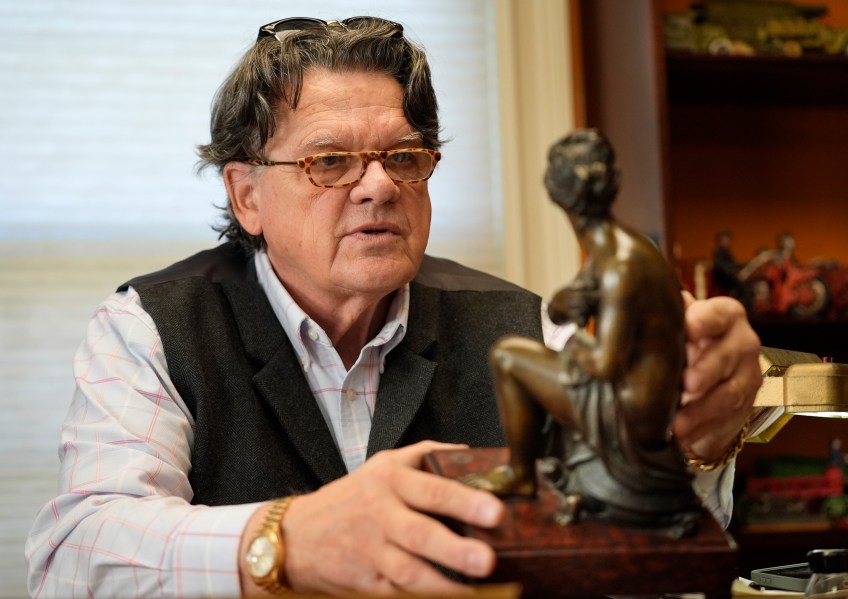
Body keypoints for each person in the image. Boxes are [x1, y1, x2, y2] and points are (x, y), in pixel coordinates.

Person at [25, 16, 762, 598]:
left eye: (404, 158)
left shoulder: (525, 327)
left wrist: (695, 438)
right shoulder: (148, 329)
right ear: (246, 194)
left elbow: (643, 555)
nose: (378, 186)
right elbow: (73, 559)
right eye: (330, 161)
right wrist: (290, 538)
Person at [464, 130, 706, 537]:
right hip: (637, 392)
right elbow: (577, 300)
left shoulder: (619, 266)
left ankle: (521, 473)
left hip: (631, 408)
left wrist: (575, 345)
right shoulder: (618, 245)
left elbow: (606, 364)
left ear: (558, 193)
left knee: (507, 356)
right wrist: (565, 306)